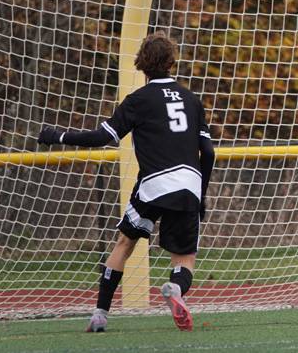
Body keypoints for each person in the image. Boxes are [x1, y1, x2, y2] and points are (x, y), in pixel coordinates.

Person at [37, 32, 215, 331]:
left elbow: (102, 137)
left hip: (154, 185)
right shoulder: (191, 99)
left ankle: (100, 315)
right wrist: (202, 194)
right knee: (184, 258)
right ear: (172, 61)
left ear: (141, 64)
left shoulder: (138, 100)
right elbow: (207, 151)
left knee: (124, 242)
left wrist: (59, 136)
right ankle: (176, 289)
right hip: (189, 183)